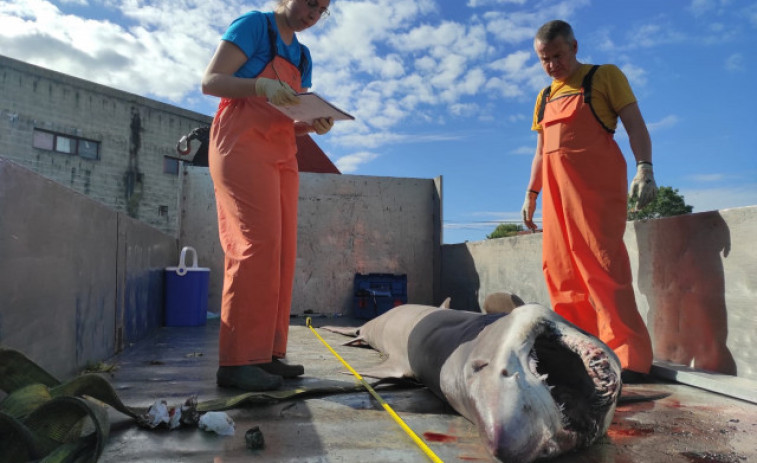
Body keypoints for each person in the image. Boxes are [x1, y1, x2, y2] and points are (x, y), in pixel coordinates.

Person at [201, 0, 334, 391]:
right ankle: (237, 361)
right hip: (240, 142)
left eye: (321, 10)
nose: (312, 13)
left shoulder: (304, 56)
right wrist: (259, 85)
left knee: (280, 251)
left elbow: (289, 118)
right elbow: (211, 81)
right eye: (309, 2)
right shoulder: (255, 26)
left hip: (282, 152)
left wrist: (313, 124)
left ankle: (268, 355)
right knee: (254, 245)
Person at [521, 20, 657, 381]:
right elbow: (540, 152)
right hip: (556, 200)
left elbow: (636, 125)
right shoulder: (544, 97)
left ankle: (629, 359)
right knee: (561, 275)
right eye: (544, 59)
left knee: (604, 270)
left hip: (594, 195)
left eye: (558, 55)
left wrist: (645, 168)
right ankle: (581, 356)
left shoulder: (603, 77)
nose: (552, 65)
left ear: (574, 47)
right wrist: (531, 194)